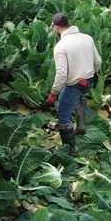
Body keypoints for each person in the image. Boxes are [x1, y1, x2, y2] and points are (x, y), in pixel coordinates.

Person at [45, 12, 102, 157]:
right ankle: (81, 124)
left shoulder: (61, 46)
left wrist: (53, 94)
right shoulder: (87, 38)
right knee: (81, 95)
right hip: (89, 80)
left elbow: (62, 74)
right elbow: (98, 61)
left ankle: (70, 151)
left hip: (75, 84)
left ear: (56, 28)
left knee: (63, 115)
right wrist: (93, 74)